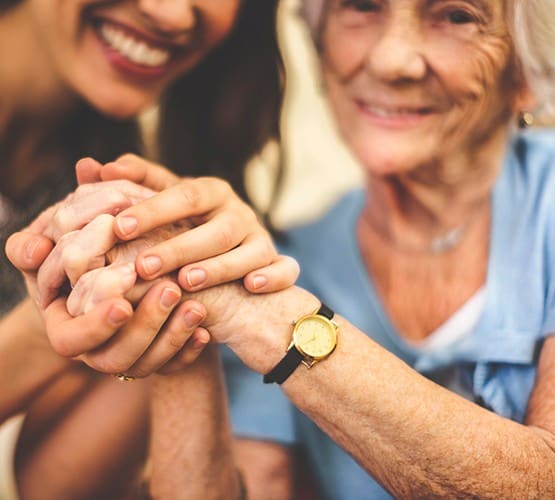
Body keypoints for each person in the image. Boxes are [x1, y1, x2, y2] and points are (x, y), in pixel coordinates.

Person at [25, 0, 555, 497]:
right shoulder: (287, 258)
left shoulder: (268, 286)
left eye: (457, 15)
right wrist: (176, 293)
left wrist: (257, 313)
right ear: (319, 42)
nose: (393, 60)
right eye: (362, 6)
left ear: (529, 71)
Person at [0, 0, 296, 497]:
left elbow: (54, 486)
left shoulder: (122, 181)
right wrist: (49, 313)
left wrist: (186, 295)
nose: (172, 13)